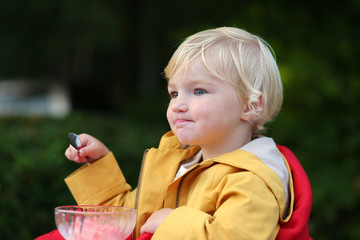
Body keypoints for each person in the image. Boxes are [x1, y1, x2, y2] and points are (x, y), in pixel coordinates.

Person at [64, 27, 294, 239]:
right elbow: (126, 226)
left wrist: (171, 221)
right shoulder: (179, 163)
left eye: (199, 91)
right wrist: (98, 165)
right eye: (174, 93)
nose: (178, 105)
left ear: (251, 106)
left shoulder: (252, 179)